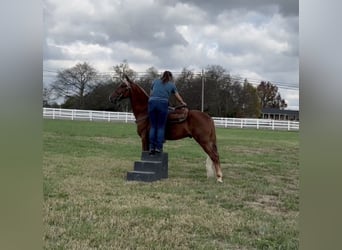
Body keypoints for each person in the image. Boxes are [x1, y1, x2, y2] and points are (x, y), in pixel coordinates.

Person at [148, 70, 186, 155]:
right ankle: (158, 147)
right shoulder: (171, 85)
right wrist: (183, 103)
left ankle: (151, 148)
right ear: (170, 77)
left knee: (153, 126)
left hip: (152, 103)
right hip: (162, 103)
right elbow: (177, 96)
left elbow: (151, 94)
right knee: (161, 127)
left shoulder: (155, 81)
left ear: (162, 76)